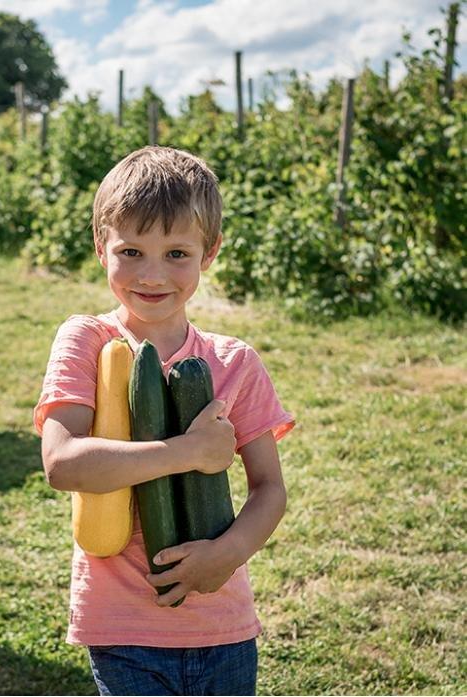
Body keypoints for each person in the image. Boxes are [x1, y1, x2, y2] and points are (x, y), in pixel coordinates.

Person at [35, 146, 295, 695]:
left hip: (223, 626)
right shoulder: (87, 341)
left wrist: (228, 553)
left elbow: (270, 488)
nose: (152, 275)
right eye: (131, 251)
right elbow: (62, 464)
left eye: (177, 253)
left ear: (210, 252)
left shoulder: (233, 362)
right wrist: (188, 452)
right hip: (122, 630)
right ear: (99, 247)